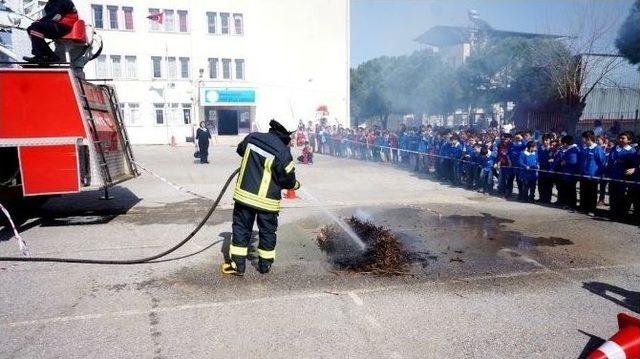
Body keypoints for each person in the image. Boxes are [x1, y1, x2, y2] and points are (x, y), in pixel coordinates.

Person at [221, 119, 301, 276]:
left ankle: (237, 266)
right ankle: (265, 266)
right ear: (286, 133)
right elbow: (287, 180)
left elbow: (240, 150)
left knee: (241, 229)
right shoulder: (283, 152)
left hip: (245, 196)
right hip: (267, 202)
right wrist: (295, 185)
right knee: (267, 232)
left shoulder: (253, 137)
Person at [607, 131, 636, 220]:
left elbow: (633, 166)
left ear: (629, 140)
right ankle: (612, 213)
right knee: (612, 196)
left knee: (621, 198)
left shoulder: (631, 151)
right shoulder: (615, 149)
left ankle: (620, 216)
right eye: (620, 137)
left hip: (623, 180)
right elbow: (610, 162)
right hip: (613, 177)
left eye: (623, 138)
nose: (620, 139)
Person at [578, 131, 606, 214]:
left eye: (582, 138)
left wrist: (598, 174)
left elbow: (602, 163)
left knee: (592, 193)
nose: (581, 140)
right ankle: (583, 208)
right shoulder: (584, 148)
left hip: (593, 176)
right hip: (583, 175)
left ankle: (591, 210)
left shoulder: (597, 149)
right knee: (583, 192)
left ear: (588, 138)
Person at [555, 135, 579, 209]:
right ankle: (566, 203)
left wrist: (565, 162)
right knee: (566, 189)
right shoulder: (570, 149)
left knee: (570, 190)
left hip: (570, 174)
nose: (562, 146)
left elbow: (573, 161)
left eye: (562, 144)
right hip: (566, 174)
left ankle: (571, 204)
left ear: (565, 143)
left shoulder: (573, 150)